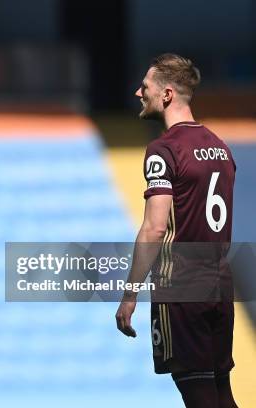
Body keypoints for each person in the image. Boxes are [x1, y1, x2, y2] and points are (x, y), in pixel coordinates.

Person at [115, 53, 238, 408]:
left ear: (166, 94)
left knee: (199, 395)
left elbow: (154, 228)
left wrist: (129, 294)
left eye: (146, 86)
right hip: (219, 281)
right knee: (222, 393)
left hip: (181, 286)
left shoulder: (163, 150)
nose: (139, 93)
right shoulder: (220, 147)